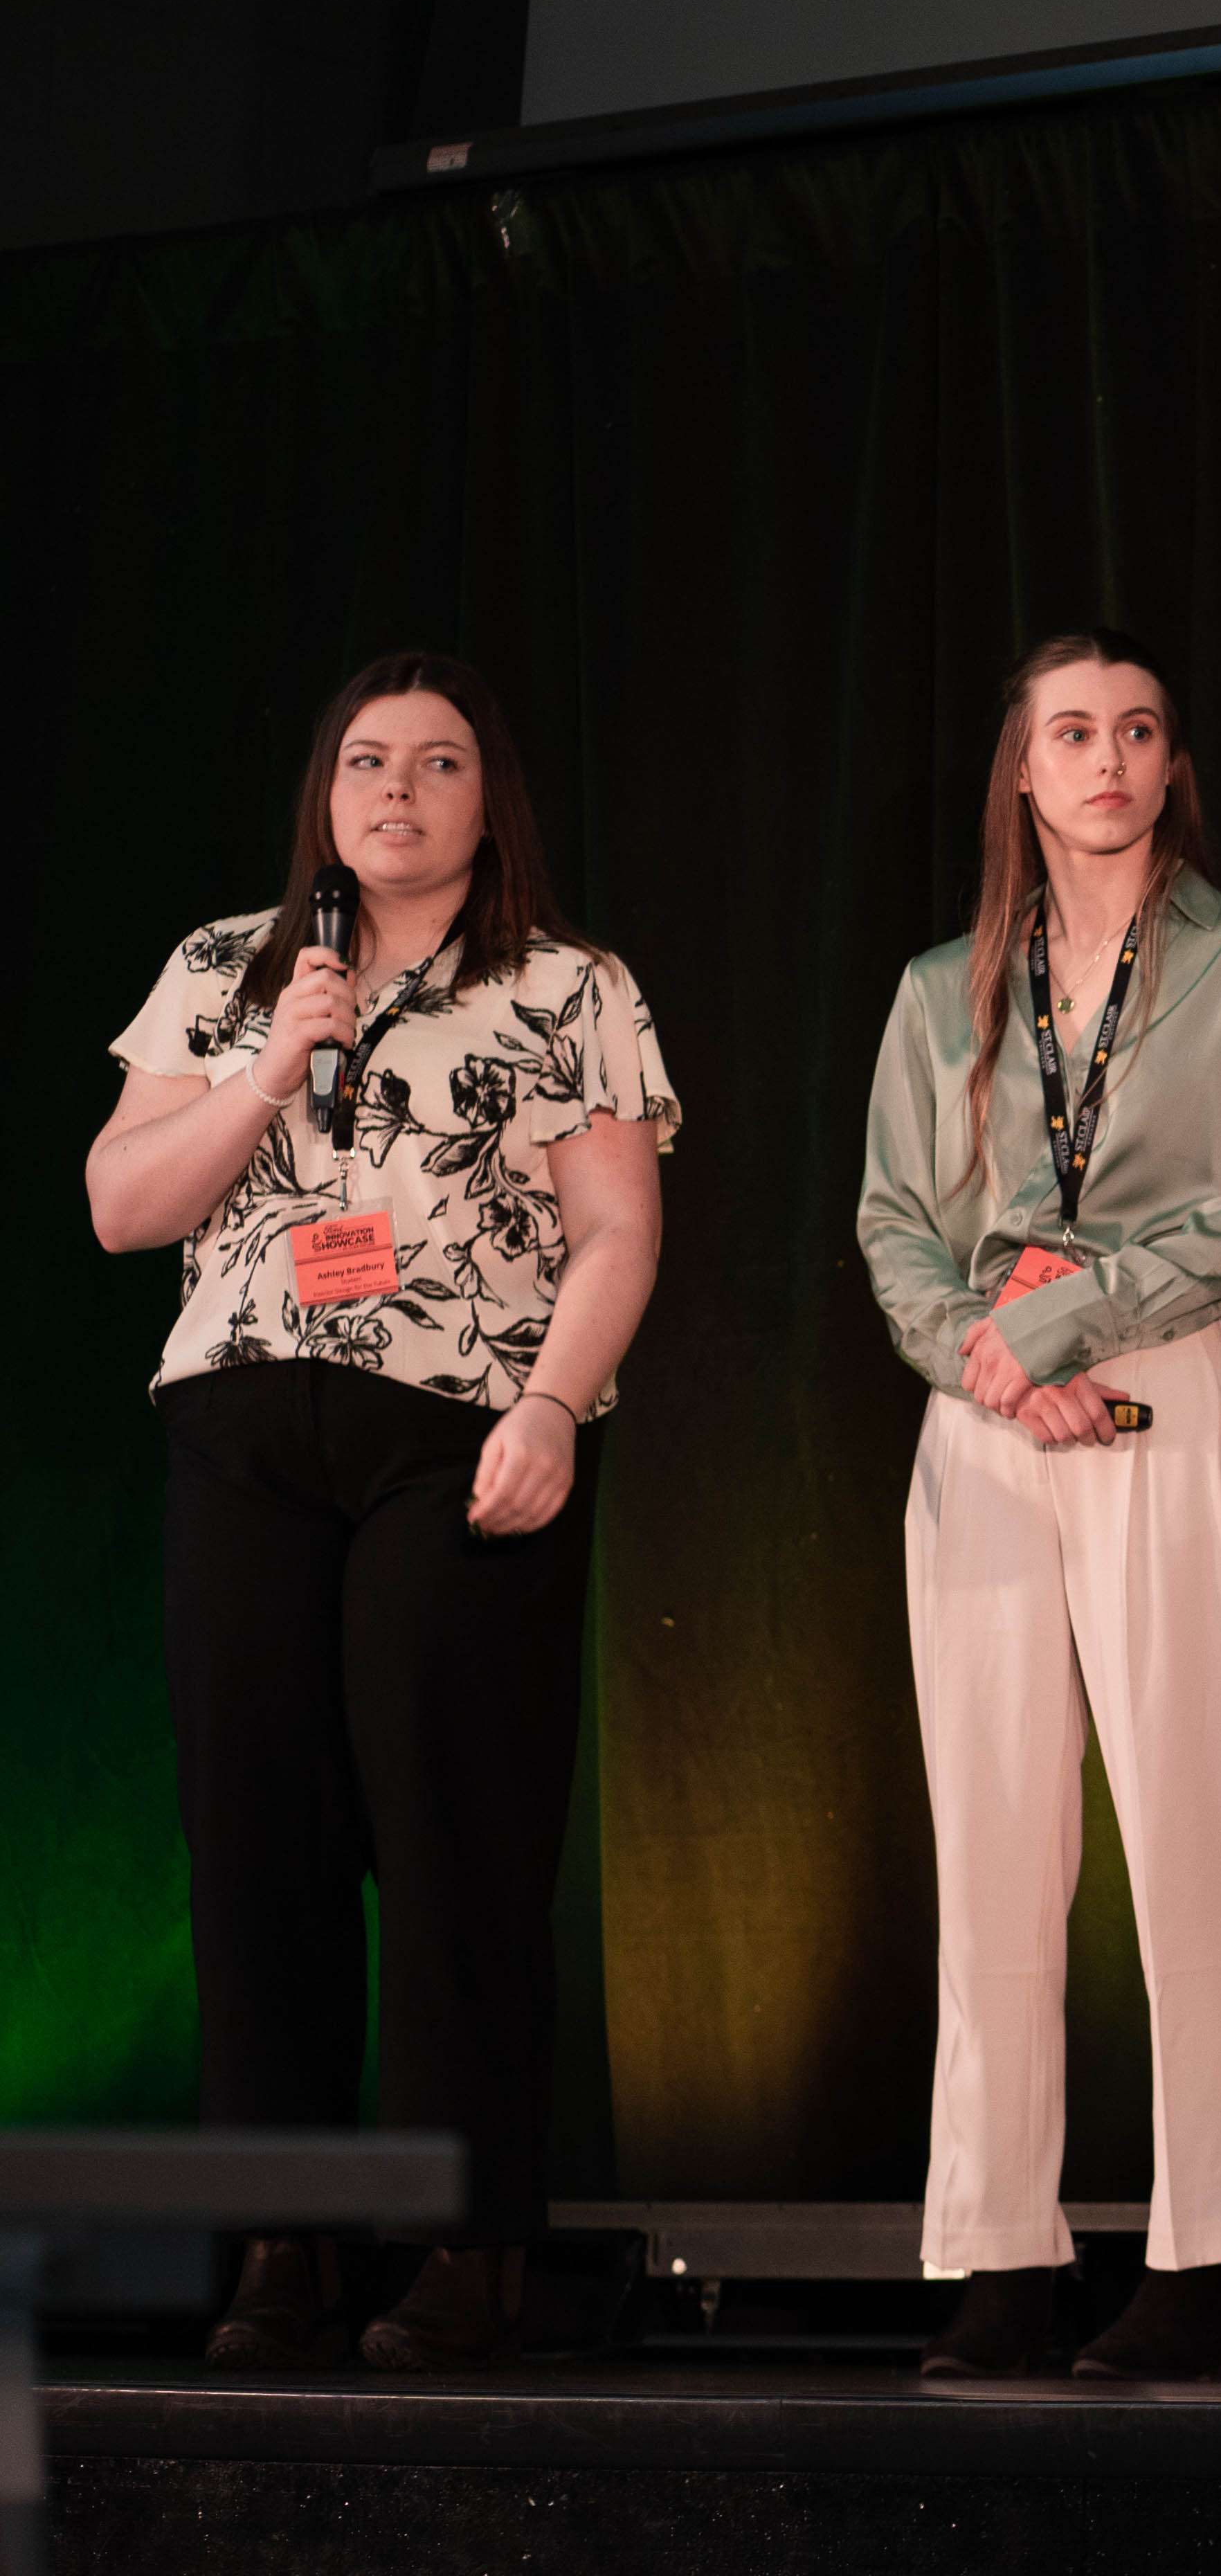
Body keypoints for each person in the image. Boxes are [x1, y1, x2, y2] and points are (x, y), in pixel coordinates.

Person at [86, 650, 677, 2372]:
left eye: (438, 762)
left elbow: (617, 1231)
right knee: (253, 1837)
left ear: (492, 800)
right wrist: (269, 1067)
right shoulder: (225, 967)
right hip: (244, 1430)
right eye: (366, 760)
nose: (397, 790)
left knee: (452, 1829)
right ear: (324, 793)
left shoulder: (566, 983)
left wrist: (554, 1404)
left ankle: (463, 2247)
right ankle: (286, 2238)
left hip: (462, 1432)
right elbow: (122, 1204)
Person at [855, 629, 1221, 2381]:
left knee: (1195, 1837)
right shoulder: (942, 989)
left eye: (1137, 728)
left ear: (1170, 763)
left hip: (1159, 1391)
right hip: (982, 1419)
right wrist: (988, 1353)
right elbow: (896, 1220)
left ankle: (1211, 2256)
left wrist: (1067, 1318)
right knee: (989, 1851)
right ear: (1024, 769)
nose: (1107, 756)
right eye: (1073, 730)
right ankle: (1000, 2252)